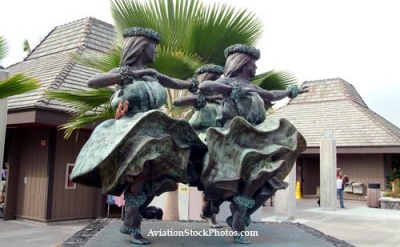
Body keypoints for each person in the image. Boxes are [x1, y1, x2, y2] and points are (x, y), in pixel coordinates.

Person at [70, 27, 207, 244]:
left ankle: (131, 221)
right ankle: (132, 226)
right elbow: (93, 82)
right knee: (139, 177)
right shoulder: (123, 74)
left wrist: (192, 84)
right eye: (154, 47)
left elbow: (175, 83)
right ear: (141, 48)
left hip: (155, 134)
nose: (156, 52)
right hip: (132, 134)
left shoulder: (153, 75)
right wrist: (132, 74)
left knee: (151, 179)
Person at [199, 44, 308, 244]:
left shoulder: (253, 87)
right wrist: (229, 89)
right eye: (252, 65)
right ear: (242, 64)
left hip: (256, 138)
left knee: (268, 177)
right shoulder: (228, 81)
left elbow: (272, 95)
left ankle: (238, 214)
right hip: (232, 139)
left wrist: (290, 92)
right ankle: (229, 215)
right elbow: (204, 87)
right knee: (246, 177)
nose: (255, 69)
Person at [173, 64, 224, 228]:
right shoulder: (199, 100)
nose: (217, 84)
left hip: (219, 139)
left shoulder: (223, 102)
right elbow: (178, 101)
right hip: (199, 139)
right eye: (215, 80)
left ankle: (210, 211)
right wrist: (203, 99)